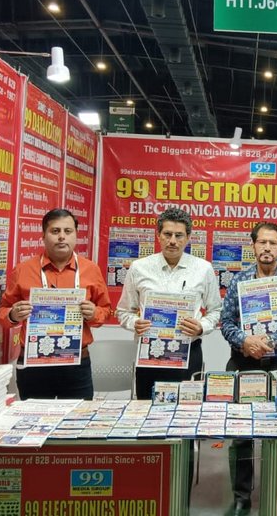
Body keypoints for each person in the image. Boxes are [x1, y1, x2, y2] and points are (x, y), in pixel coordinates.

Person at [115, 207, 221, 501]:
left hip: (188, 357)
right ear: (158, 235)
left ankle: (181, 492)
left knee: (185, 422)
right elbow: (123, 311)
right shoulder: (139, 268)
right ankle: (147, 488)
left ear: (188, 237)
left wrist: (201, 326)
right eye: (167, 234)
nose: (173, 240)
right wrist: (133, 323)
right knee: (148, 420)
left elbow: (216, 311)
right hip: (149, 358)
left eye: (179, 235)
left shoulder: (203, 269)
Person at [220, 222, 277, 516]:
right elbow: (226, 323)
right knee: (241, 433)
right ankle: (241, 497)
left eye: (273, 243)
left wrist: (268, 341)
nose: (267, 248)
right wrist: (245, 340)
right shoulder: (238, 280)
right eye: (262, 242)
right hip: (243, 363)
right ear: (253, 246)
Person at [0, 208, 111, 400]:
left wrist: (94, 313)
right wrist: (13, 315)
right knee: (34, 418)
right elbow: (3, 311)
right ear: (43, 236)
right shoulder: (23, 270)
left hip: (76, 362)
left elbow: (106, 310)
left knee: (78, 417)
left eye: (68, 231)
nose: (61, 237)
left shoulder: (91, 270)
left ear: (76, 235)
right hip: (34, 362)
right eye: (55, 231)